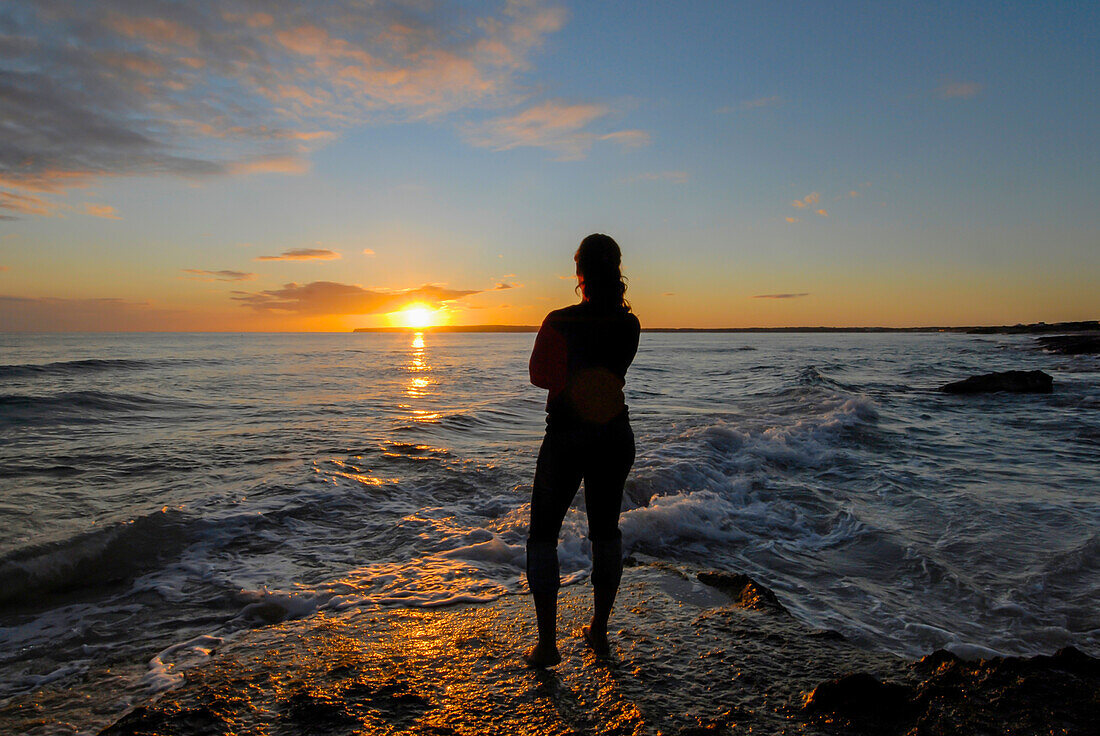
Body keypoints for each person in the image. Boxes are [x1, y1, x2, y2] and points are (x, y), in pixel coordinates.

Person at [525, 233, 641, 667]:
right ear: (616, 271)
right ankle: (599, 630)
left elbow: (540, 376)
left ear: (580, 274)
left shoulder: (558, 320)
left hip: (567, 437)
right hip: (613, 435)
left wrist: (568, 372)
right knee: (606, 532)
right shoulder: (629, 325)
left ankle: (548, 644)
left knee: (542, 536)